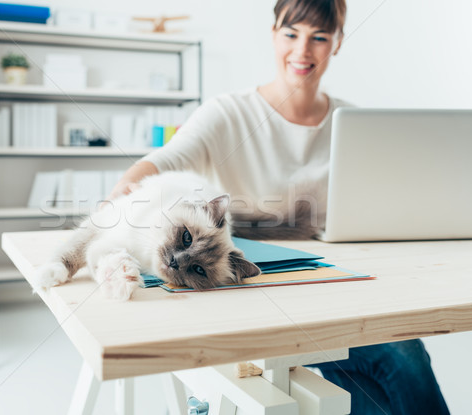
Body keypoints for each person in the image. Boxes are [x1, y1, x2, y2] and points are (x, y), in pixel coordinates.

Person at [108, 0, 450, 413]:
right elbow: (166, 159)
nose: (303, 51)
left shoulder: (353, 123)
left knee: (396, 356)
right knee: (394, 358)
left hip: (327, 283)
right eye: (291, 34)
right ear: (273, 34)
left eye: (319, 37)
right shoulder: (228, 113)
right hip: (245, 289)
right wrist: (126, 189)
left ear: (337, 43)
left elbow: (389, 201)